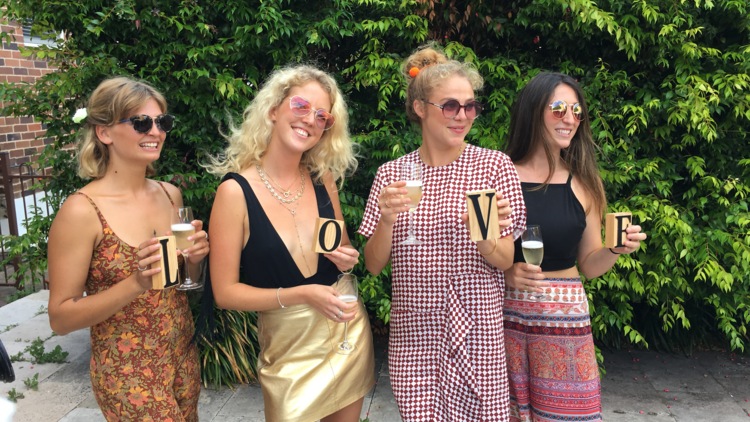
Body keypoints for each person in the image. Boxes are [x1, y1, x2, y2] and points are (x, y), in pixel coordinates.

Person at [357, 46, 526, 421]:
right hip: (416, 334)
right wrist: (386, 220)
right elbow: (372, 265)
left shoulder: (494, 167)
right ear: (420, 109)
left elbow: (504, 259)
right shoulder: (392, 174)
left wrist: (483, 235)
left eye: (470, 106)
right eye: (450, 106)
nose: (462, 116)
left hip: (477, 331)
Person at [204, 64, 374, 422]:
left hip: (345, 334)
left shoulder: (321, 179)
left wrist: (346, 257)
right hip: (287, 349)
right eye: (300, 106)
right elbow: (225, 293)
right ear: (273, 110)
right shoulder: (235, 193)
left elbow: (341, 249)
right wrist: (301, 294)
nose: (311, 119)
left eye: (322, 115)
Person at [47, 77, 208, 422]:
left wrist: (195, 262)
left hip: (181, 356)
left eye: (162, 122)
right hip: (128, 374)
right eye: (141, 122)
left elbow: (181, 286)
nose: (156, 131)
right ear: (104, 133)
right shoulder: (82, 210)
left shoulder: (170, 195)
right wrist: (136, 283)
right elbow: (60, 318)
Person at [503, 72, 648, 422]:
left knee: (570, 413)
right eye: (558, 109)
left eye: (576, 111)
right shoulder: (499, 173)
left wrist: (615, 249)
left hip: (565, 319)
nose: (570, 118)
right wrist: (507, 270)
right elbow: (475, 247)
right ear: (532, 111)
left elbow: (590, 264)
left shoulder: (583, 181)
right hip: (504, 315)